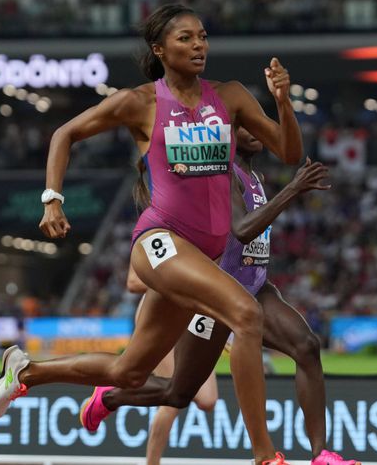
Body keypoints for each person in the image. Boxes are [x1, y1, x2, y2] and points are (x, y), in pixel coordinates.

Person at [0, 4, 302, 465]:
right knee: (246, 314)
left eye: (202, 36)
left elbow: (289, 153)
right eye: (185, 38)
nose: (198, 45)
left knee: (129, 372)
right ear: (159, 49)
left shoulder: (230, 96)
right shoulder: (140, 102)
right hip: (160, 241)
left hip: (202, 256)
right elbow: (65, 134)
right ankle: (265, 456)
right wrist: (52, 198)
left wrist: (283, 101)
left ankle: (26, 372)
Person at [80, 127, 359, 465]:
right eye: (248, 125)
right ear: (229, 132)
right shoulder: (220, 174)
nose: (258, 130)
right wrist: (293, 189)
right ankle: (110, 397)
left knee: (307, 346)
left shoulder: (255, 177)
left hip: (255, 287)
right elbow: (242, 230)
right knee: (178, 392)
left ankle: (321, 454)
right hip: (216, 295)